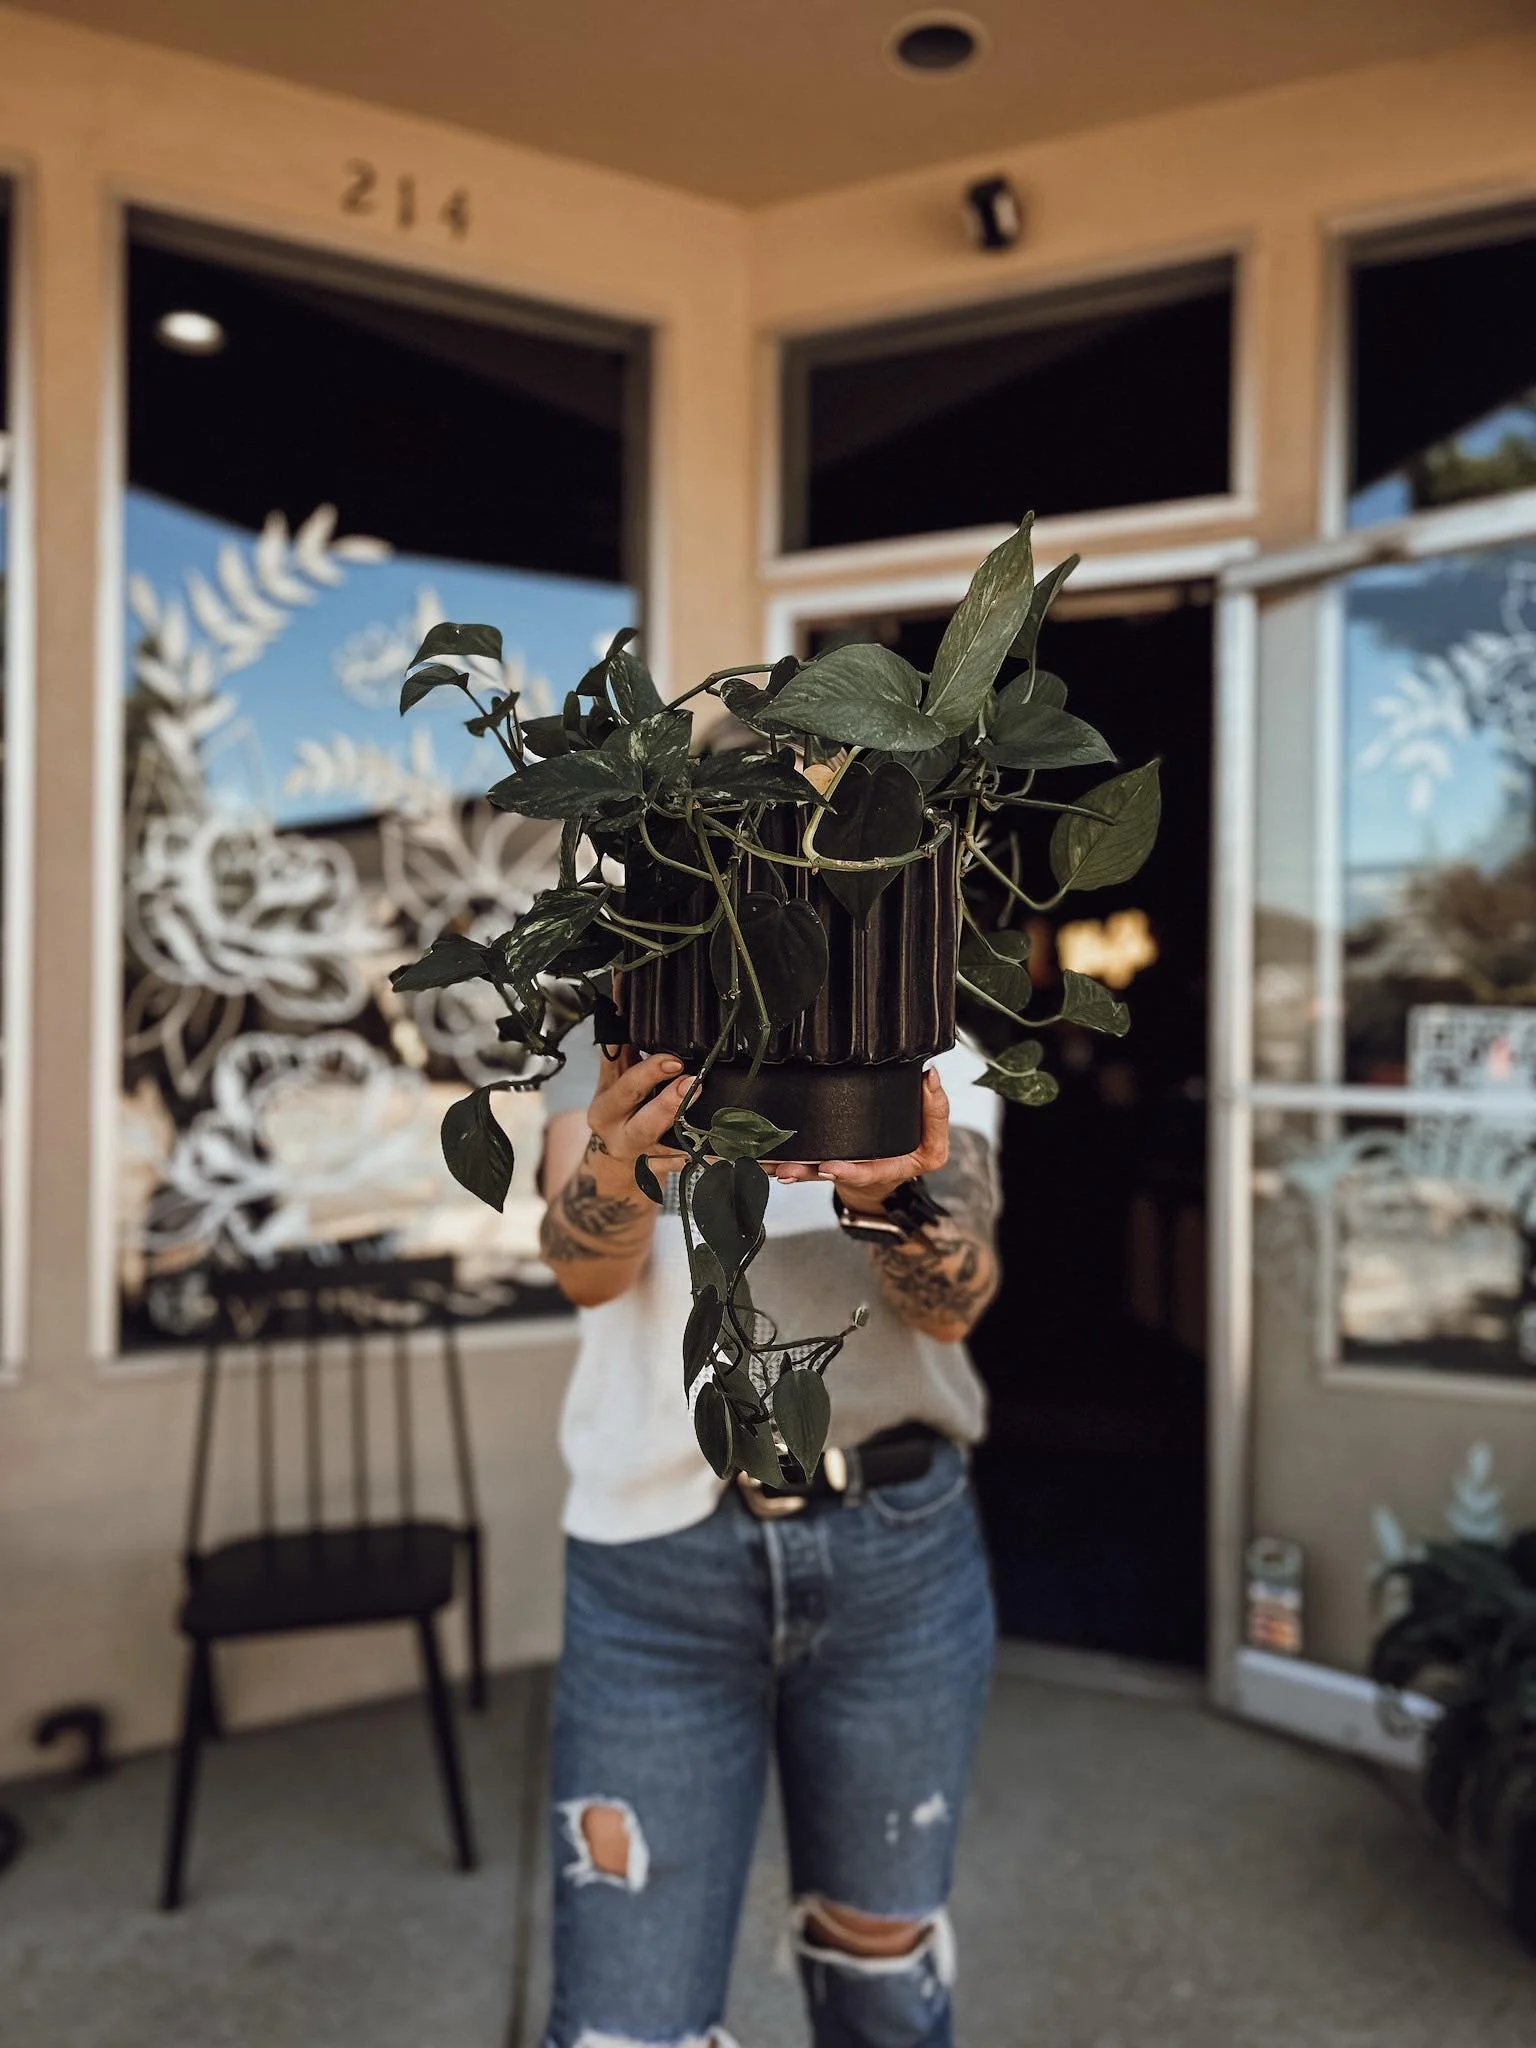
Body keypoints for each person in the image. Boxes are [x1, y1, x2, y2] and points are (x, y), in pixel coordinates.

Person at [536, 1025, 1002, 2048]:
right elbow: (584, 1269)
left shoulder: (925, 1020)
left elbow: (955, 1299)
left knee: (879, 1970)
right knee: (628, 2024)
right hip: (657, 1570)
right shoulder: (623, 1012)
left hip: (896, 1553)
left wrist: (888, 1194)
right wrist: (623, 1163)